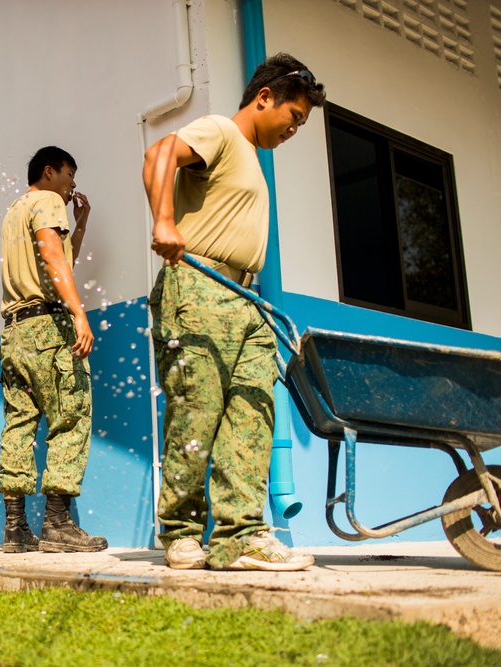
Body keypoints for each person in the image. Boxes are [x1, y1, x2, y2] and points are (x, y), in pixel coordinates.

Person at [143, 54, 326, 571]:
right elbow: (158, 153)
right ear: (264, 97)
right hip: (200, 287)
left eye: (303, 123)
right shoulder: (220, 131)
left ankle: (239, 537)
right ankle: (180, 531)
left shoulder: (250, 157)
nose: (295, 128)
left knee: (252, 415)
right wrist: (163, 221)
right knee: (196, 410)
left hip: (247, 301)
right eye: (294, 116)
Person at [0, 146, 107, 554]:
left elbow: (58, 255)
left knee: (19, 424)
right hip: (48, 327)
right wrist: (79, 313)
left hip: (14, 333)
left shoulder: (14, 211)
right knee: (71, 415)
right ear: (48, 171)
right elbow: (51, 253)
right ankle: (58, 525)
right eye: (69, 173)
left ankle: (15, 529)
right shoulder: (46, 200)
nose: (73, 183)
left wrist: (80, 224)